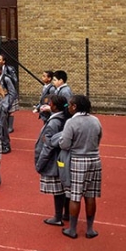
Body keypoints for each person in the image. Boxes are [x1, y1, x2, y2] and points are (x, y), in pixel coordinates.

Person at [58, 94, 103, 239]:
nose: (68, 107)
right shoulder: (96, 120)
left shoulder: (71, 122)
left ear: (75, 106)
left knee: (75, 196)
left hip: (78, 160)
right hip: (94, 159)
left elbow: (64, 143)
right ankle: (90, 228)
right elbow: (99, 137)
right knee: (90, 195)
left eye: (70, 105)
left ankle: (72, 229)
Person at [34, 94, 70, 226]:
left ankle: (58, 216)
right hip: (62, 158)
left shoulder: (54, 123)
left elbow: (48, 145)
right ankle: (66, 214)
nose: (49, 104)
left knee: (58, 190)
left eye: (50, 103)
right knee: (64, 187)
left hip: (54, 160)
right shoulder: (64, 118)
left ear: (54, 106)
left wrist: (40, 163)